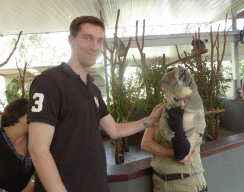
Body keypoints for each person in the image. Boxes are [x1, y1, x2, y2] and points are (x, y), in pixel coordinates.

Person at [27, 16, 164, 192]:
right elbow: (38, 149)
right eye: (87, 38)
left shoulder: (92, 89)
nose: (94, 46)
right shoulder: (50, 82)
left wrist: (151, 120)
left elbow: (114, 130)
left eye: (99, 41)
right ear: (71, 40)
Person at [141, 66, 207, 192]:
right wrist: (173, 154)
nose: (166, 93)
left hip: (187, 183)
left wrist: (175, 112)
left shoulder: (195, 112)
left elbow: (183, 153)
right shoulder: (158, 110)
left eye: (170, 89)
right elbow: (145, 144)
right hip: (159, 183)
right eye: (165, 90)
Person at [0, 98, 35, 192]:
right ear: (18, 114)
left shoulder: (34, 140)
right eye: (33, 112)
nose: (38, 117)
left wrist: (32, 183)